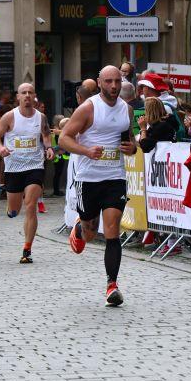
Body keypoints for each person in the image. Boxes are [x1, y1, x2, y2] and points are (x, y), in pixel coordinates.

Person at [60, 65, 136, 307]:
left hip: (115, 177)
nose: (114, 86)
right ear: (100, 82)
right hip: (88, 178)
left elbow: (130, 141)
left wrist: (132, 148)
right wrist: (85, 151)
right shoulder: (88, 108)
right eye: (109, 81)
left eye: (117, 81)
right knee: (91, 232)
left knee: (112, 229)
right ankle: (79, 229)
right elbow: (63, 138)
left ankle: (112, 285)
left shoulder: (127, 110)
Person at [0, 83, 53, 264]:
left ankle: (27, 249)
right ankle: (11, 208)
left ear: (34, 96)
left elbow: (46, 135)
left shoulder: (41, 117)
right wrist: (1, 148)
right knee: (15, 210)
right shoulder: (10, 117)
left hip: (35, 166)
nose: (27, 95)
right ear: (17, 97)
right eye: (23, 93)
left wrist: (48, 148)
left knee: (31, 205)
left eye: (30, 92)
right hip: (14, 168)